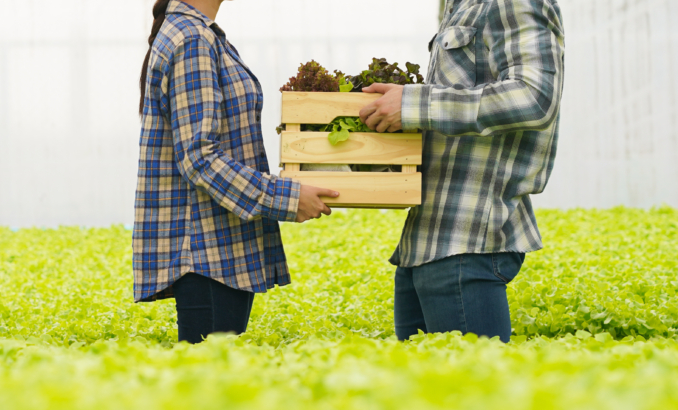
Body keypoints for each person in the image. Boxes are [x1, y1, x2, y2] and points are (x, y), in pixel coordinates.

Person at [133, 0, 338, 344]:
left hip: (220, 250)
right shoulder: (192, 39)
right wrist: (286, 198)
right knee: (208, 373)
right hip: (206, 251)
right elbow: (199, 157)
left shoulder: (201, 34)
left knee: (214, 370)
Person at [360, 0, 565, 342]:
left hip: (467, 238)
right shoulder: (460, 6)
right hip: (423, 242)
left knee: (473, 377)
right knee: (422, 377)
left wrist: (414, 103)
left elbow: (534, 98)